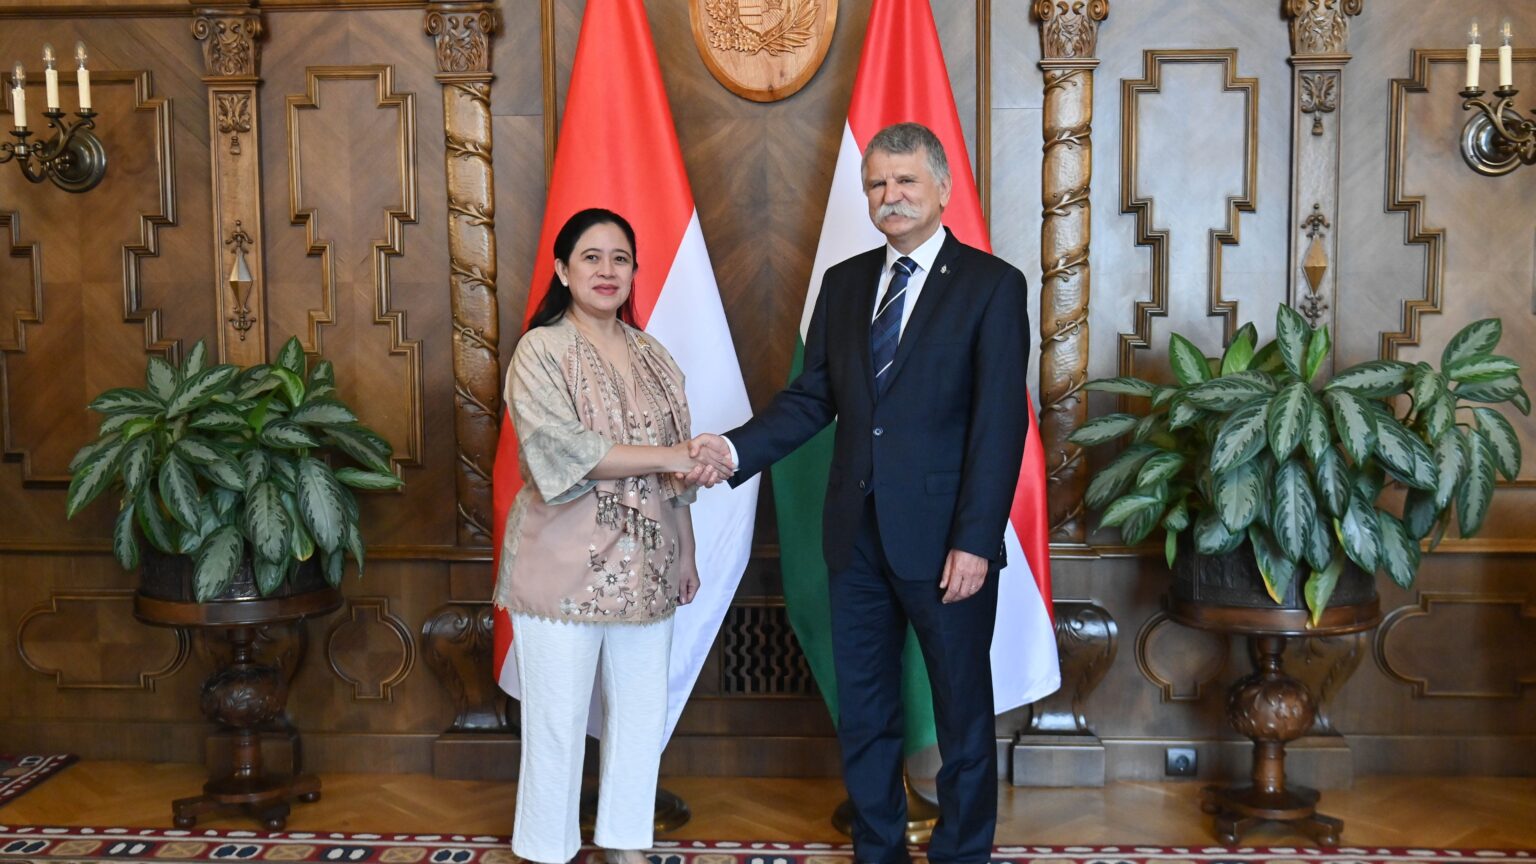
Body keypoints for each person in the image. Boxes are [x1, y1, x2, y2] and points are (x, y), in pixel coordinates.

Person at [692, 122, 1032, 864]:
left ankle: (962, 851)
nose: (890, 196)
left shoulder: (992, 286)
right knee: (867, 711)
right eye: (877, 183)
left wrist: (976, 539)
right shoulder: (844, 285)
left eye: (906, 181)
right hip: (855, 538)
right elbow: (814, 399)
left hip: (948, 544)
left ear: (942, 188)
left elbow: (1000, 425)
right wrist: (732, 448)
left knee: (961, 716)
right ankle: (878, 848)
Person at [495, 207, 730, 864]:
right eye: (591, 257)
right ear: (563, 270)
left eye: (619, 258)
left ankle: (626, 842)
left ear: (633, 272)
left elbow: (677, 468)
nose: (606, 270)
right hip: (561, 566)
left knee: (639, 717)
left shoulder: (653, 353)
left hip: (650, 561)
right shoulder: (541, 350)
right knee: (557, 723)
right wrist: (674, 456)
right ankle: (547, 850)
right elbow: (569, 452)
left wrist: (684, 547)